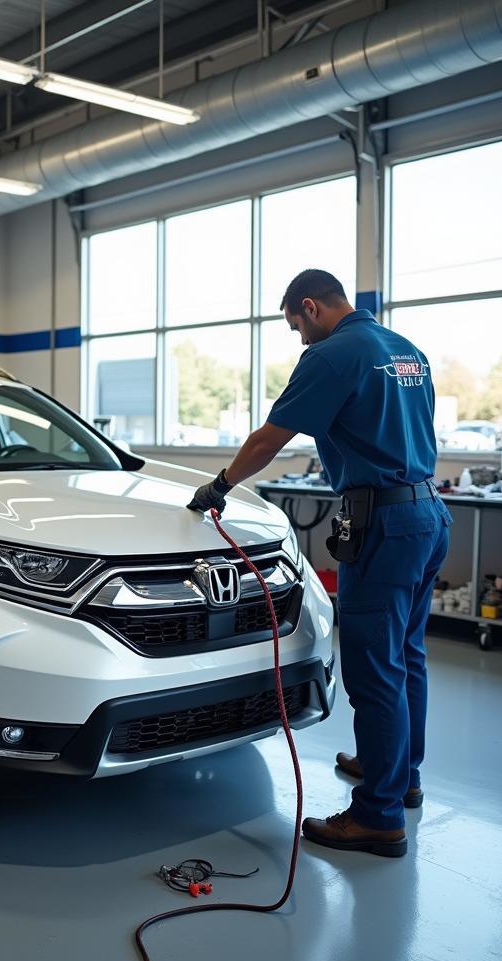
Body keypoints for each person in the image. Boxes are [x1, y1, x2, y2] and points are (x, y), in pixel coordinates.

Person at [188, 269, 451, 858]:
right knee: (407, 656)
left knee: (373, 670)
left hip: (384, 523)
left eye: (294, 326)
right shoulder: (407, 350)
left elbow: (268, 440)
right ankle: (400, 775)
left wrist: (221, 484)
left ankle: (378, 816)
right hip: (430, 513)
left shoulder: (333, 354)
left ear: (309, 307)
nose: (299, 339)